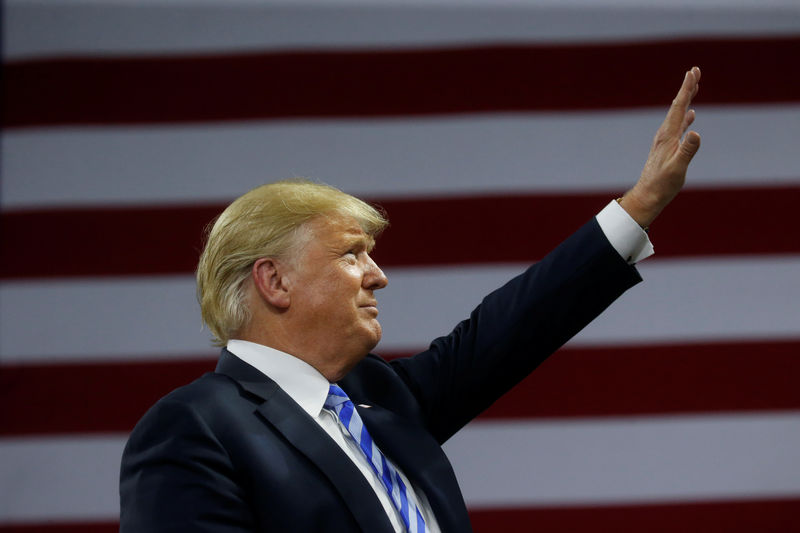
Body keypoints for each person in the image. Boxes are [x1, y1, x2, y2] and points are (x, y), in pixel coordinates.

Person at [119, 67, 702, 532]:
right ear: (274, 281)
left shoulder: (381, 398)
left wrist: (639, 207)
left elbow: (511, 328)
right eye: (351, 255)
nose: (378, 276)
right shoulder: (194, 428)